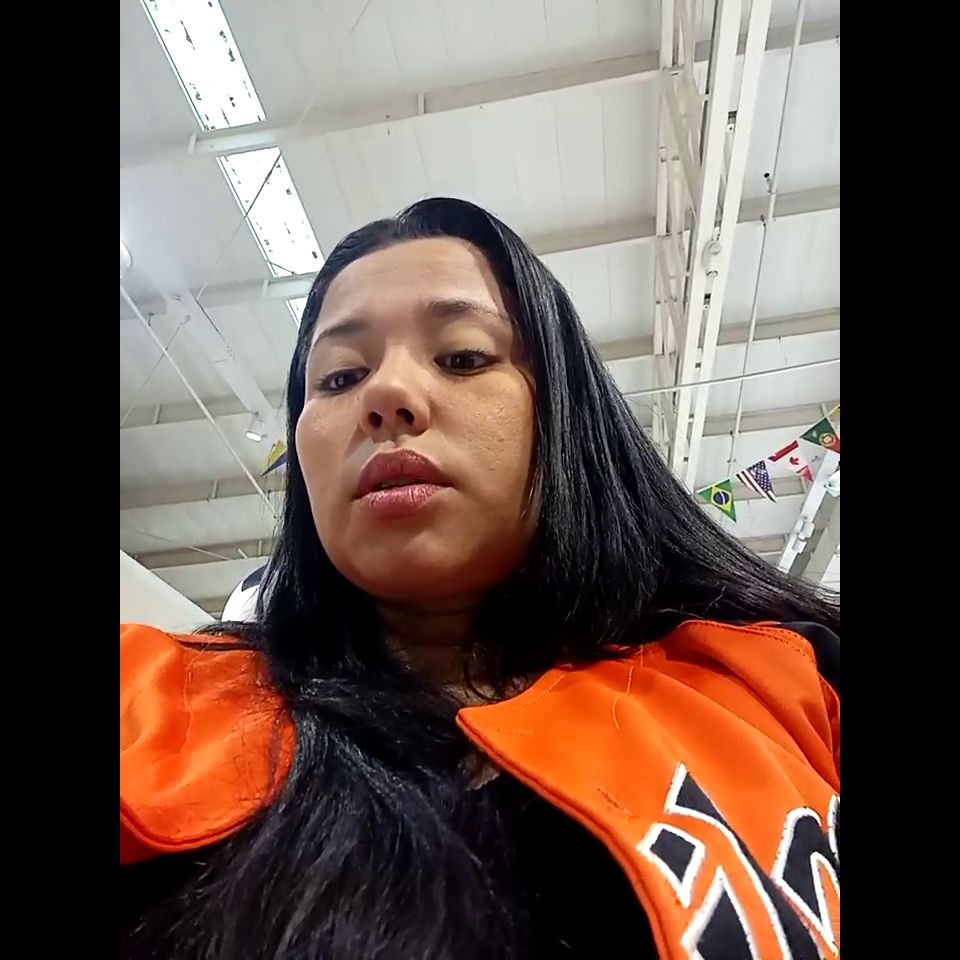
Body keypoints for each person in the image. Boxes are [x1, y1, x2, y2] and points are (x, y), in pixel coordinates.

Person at [120, 198, 840, 959]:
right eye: (339, 377)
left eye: (463, 358)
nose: (385, 396)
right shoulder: (146, 700)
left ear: (566, 414)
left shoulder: (790, 684)